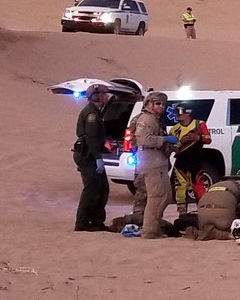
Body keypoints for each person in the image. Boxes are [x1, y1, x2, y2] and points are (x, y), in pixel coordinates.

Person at [118, 90, 177, 238]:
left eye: (163, 104)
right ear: (148, 104)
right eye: (157, 103)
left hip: (156, 161)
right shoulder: (146, 119)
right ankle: (150, 230)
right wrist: (164, 140)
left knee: (164, 195)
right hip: (151, 162)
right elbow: (145, 140)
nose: (161, 107)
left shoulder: (154, 119)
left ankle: (152, 228)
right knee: (156, 196)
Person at [72, 84, 113, 232]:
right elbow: (90, 138)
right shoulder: (92, 115)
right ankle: (82, 222)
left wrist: (105, 144)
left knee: (102, 188)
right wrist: (97, 158)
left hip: (91, 155)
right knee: (92, 189)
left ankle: (96, 221)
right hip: (88, 156)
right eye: (104, 94)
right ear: (97, 96)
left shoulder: (96, 113)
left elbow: (96, 137)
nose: (106, 97)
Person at [171, 103, 213, 207]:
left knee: (199, 187)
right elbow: (172, 148)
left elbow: (208, 140)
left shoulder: (199, 124)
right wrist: (181, 141)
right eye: (176, 112)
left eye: (180, 112)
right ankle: (182, 213)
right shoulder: (174, 129)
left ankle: (202, 211)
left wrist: (198, 138)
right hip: (181, 162)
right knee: (180, 189)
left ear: (188, 112)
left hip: (196, 161)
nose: (178, 115)